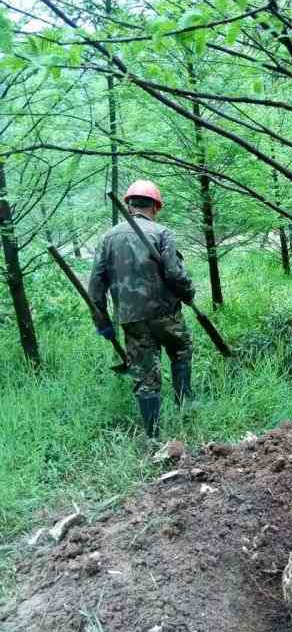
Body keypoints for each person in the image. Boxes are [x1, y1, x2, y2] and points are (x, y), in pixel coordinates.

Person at [88, 180, 196, 439]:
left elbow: (95, 286)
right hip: (166, 315)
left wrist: (102, 321)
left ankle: (153, 435)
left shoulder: (108, 238)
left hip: (132, 319)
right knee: (181, 351)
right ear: (156, 207)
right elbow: (174, 273)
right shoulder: (161, 233)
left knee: (145, 376)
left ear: (128, 204)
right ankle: (186, 407)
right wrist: (188, 294)